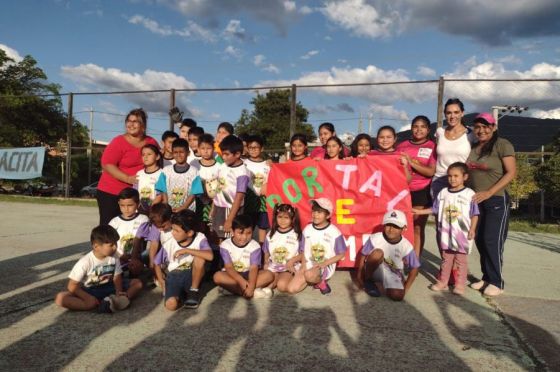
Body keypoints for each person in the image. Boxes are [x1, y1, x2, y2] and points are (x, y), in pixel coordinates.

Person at [466, 112, 516, 297]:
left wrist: (489, 192)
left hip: (496, 199)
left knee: (491, 240)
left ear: (493, 127)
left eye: (486, 126)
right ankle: (486, 277)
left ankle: (497, 281)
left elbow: (510, 173)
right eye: (477, 127)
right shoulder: (473, 148)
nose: (481, 130)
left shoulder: (502, 144)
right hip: (476, 201)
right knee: (479, 239)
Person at [413, 162, 479, 295]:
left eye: (456, 176)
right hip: (445, 233)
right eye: (450, 176)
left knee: (460, 261)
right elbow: (435, 209)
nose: (452, 179)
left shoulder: (469, 194)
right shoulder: (443, 192)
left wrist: (472, 229)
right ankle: (443, 281)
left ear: (465, 177)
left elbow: (474, 214)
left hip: (461, 233)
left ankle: (460, 285)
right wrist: (419, 212)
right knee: (446, 259)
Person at [55, 225, 143, 313]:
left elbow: (117, 277)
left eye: (116, 243)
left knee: (137, 283)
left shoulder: (114, 256)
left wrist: (118, 293)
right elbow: (72, 285)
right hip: (91, 290)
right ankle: (95, 304)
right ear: (96, 246)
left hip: (109, 286)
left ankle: (117, 301)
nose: (115, 247)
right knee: (60, 298)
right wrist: (87, 297)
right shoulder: (85, 262)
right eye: (111, 245)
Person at [96, 108, 159, 225]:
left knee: (136, 227)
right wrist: (128, 178)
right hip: (111, 192)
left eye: (135, 121)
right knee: (109, 228)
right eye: (129, 121)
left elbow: (157, 161)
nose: (131, 124)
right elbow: (107, 164)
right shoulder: (118, 141)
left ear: (143, 125)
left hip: (137, 194)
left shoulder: (151, 142)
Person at [154, 210, 213, 310]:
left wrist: (187, 250)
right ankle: (181, 296)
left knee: (200, 258)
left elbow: (210, 256)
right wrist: (161, 281)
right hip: (174, 276)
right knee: (171, 305)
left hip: (192, 276)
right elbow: (156, 263)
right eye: (172, 229)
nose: (173, 233)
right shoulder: (169, 244)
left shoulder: (200, 238)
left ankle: (193, 291)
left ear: (189, 233)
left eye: (177, 231)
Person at [356, 210, 420, 301]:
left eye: (396, 227)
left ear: (404, 228)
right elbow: (363, 255)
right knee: (377, 253)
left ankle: (384, 285)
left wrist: (405, 289)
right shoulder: (375, 238)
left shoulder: (406, 246)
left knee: (397, 296)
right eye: (388, 225)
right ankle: (368, 280)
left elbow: (415, 267)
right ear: (384, 225)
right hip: (374, 270)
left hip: (392, 271)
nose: (391, 229)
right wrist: (359, 275)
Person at [396, 116, 437, 257]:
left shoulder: (432, 146)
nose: (419, 130)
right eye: (415, 126)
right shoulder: (402, 146)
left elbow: (430, 171)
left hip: (422, 190)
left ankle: (415, 262)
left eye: (423, 126)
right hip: (402, 190)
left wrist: (411, 162)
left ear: (428, 129)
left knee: (418, 228)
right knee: (400, 226)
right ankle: (399, 257)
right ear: (411, 128)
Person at [213, 214, 274, 299]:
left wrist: (251, 286)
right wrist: (241, 282)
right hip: (232, 275)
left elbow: (253, 268)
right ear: (232, 231)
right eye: (240, 233)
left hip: (249, 274)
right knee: (217, 276)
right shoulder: (225, 245)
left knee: (269, 275)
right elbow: (229, 267)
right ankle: (252, 293)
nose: (244, 237)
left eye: (248, 233)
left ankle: (236, 290)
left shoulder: (255, 245)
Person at [432, 98, 475, 199]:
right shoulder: (439, 131)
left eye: (456, 112)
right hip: (439, 181)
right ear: (445, 114)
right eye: (449, 113)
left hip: (461, 183)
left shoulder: (471, 133)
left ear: (462, 113)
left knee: (459, 213)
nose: (452, 116)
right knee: (439, 214)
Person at [302, 198, 347, 295]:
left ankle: (320, 281)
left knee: (309, 275)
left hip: (324, 265)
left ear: (328, 215)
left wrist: (325, 263)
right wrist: (303, 265)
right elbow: (302, 250)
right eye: (314, 211)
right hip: (308, 263)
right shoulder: (307, 229)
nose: (315, 215)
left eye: (319, 212)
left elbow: (341, 254)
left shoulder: (334, 232)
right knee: (291, 288)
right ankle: (313, 278)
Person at [212, 135, 250, 240]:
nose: (223, 157)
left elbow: (239, 197)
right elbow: (218, 189)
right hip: (219, 208)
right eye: (222, 154)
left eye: (227, 154)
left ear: (237, 154)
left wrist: (229, 220)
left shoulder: (242, 172)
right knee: (217, 237)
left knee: (228, 239)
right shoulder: (222, 166)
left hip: (231, 210)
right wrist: (213, 209)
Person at [262, 204, 306, 294]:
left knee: (282, 286)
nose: (282, 220)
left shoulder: (297, 234)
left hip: (289, 267)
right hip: (273, 266)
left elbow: (303, 253)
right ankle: (273, 282)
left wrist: (293, 260)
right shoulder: (270, 234)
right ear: (276, 217)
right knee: (266, 283)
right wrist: (266, 262)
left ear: (292, 219)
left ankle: (301, 279)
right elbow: (266, 252)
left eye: (286, 218)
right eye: (280, 217)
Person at [155, 138, 204, 213]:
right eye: (175, 152)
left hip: (187, 211)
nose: (178, 155)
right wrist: (166, 204)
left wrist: (184, 207)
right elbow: (163, 189)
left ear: (188, 153)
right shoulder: (166, 170)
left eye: (181, 152)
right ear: (172, 153)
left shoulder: (194, 172)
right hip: (169, 211)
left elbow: (194, 193)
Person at [108, 188, 149, 275]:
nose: (126, 209)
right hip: (119, 258)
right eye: (122, 205)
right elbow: (109, 243)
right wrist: (120, 255)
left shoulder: (143, 219)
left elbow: (147, 243)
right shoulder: (114, 222)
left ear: (138, 204)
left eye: (130, 205)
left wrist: (136, 258)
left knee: (135, 274)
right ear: (118, 204)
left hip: (137, 259)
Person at [129, 203, 173, 280]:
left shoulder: (177, 226)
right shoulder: (156, 226)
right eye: (158, 227)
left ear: (170, 218)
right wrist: (152, 265)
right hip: (163, 254)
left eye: (163, 226)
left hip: (175, 253)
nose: (161, 229)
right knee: (146, 255)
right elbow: (154, 244)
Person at [193, 133, 223, 241]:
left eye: (208, 148)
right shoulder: (194, 164)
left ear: (213, 148)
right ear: (198, 149)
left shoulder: (219, 166)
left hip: (214, 203)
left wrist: (214, 206)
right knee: (199, 228)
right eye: (203, 148)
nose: (206, 151)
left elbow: (220, 188)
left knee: (213, 229)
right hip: (197, 203)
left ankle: (215, 253)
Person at [243, 134, 271, 244]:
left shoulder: (268, 165)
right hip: (248, 199)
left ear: (262, 148)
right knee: (247, 226)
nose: (253, 150)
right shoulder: (243, 163)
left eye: (256, 147)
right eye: (250, 148)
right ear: (247, 148)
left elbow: (273, 180)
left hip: (263, 200)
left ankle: (262, 249)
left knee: (262, 227)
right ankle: (247, 248)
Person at [136, 144, 163, 214]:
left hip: (155, 211)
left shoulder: (162, 173)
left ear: (157, 157)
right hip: (139, 210)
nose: (145, 157)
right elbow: (135, 191)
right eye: (143, 154)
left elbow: (160, 195)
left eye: (149, 154)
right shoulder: (139, 173)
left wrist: (151, 209)